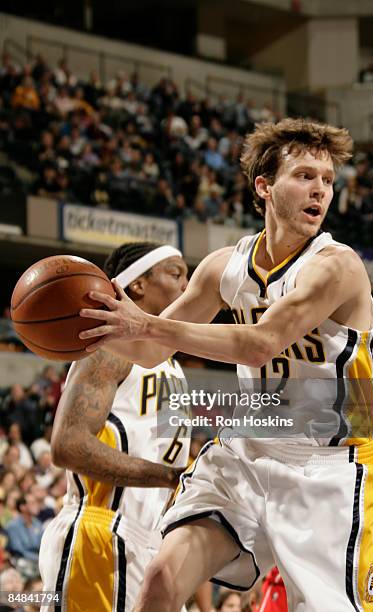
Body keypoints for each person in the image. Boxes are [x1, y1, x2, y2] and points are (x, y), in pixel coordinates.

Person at [78, 118, 373, 611]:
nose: (321, 191)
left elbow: (260, 343)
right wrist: (96, 326)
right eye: (305, 175)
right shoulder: (226, 266)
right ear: (264, 186)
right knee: (160, 577)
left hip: (329, 468)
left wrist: (147, 325)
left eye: (328, 180)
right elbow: (150, 350)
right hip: (247, 450)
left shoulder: (338, 267)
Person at [39, 242, 191, 611]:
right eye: (175, 274)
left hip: (148, 541)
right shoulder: (112, 345)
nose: (187, 286)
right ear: (138, 285)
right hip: (100, 536)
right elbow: (68, 445)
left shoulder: (166, 360)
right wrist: (174, 476)